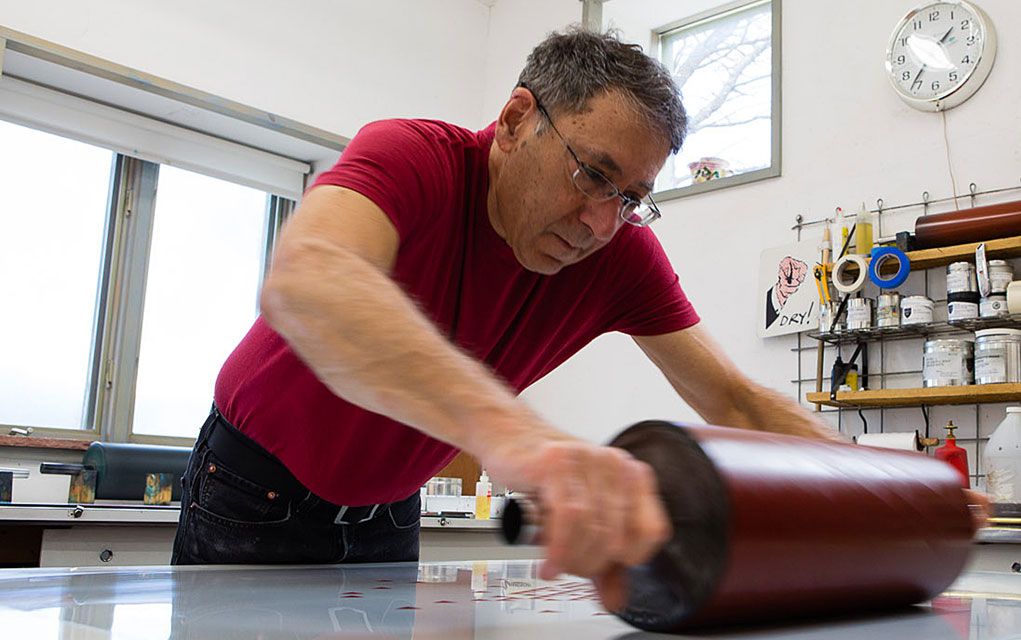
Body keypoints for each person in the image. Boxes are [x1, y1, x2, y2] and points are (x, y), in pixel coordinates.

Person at [171, 27, 852, 611]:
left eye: (631, 198)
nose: (599, 223)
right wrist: (521, 441)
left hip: (390, 509)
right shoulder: (412, 158)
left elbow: (731, 397)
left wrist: (874, 490)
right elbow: (307, 278)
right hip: (250, 486)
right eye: (591, 174)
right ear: (515, 119)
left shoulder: (620, 253)